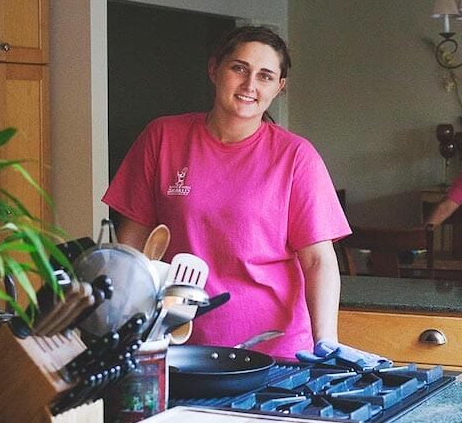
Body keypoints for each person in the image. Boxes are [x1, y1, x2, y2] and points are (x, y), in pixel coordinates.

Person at [102, 26, 350, 359]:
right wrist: (122, 323)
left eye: (265, 76)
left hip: (273, 349)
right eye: (239, 68)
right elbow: (132, 249)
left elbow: (319, 261)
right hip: (178, 344)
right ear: (214, 69)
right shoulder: (163, 137)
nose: (250, 86)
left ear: (279, 87)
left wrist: (326, 342)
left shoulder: (296, 157)